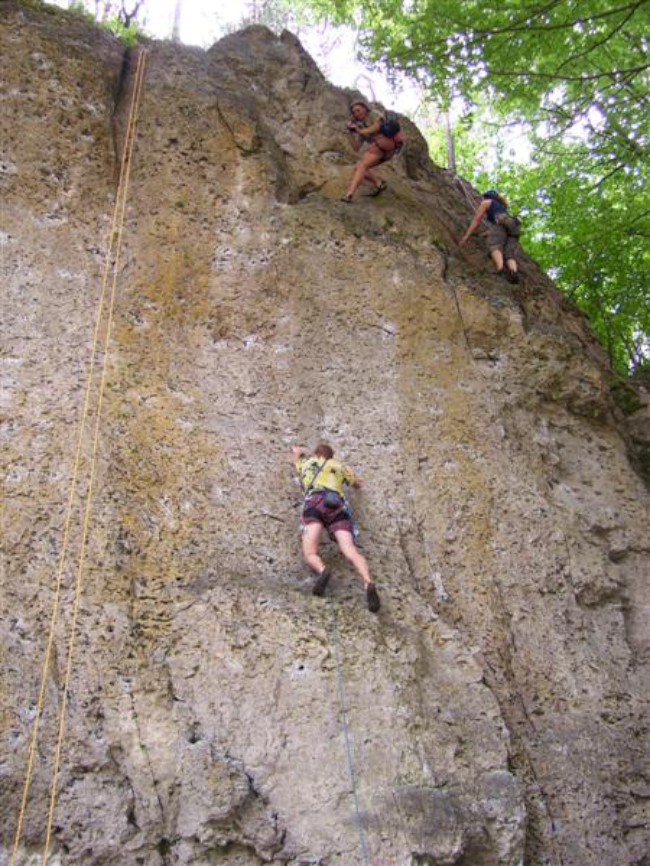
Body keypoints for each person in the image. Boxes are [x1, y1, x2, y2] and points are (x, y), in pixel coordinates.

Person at [291, 443, 380, 613]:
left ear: (317, 454)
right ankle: (368, 582)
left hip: (315, 503)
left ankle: (322, 570)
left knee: (310, 552)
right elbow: (357, 483)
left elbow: (296, 459)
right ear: (331, 456)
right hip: (336, 506)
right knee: (350, 551)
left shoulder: (309, 463)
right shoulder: (339, 466)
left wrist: (299, 452)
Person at [341, 100, 402, 203]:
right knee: (359, 167)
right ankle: (378, 183)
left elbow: (376, 127)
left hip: (385, 144)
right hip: (383, 152)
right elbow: (356, 147)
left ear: (365, 108)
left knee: (362, 166)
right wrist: (349, 133)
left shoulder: (373, 114)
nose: (357, 113)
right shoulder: (361, 126)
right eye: (354, 112)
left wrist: (359, 130)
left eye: (358, 110)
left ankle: (349, 194)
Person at [459, 190, 521, 283]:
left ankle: (500, 268)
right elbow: (501, 230)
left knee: (494, 245)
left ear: (487, 196)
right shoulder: (502, 207)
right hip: (514, 229)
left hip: (501, 224)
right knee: (509, 253)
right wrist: (487, 233)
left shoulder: (487, 202)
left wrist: (466, 236)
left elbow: (477, 220)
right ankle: (513, 272)